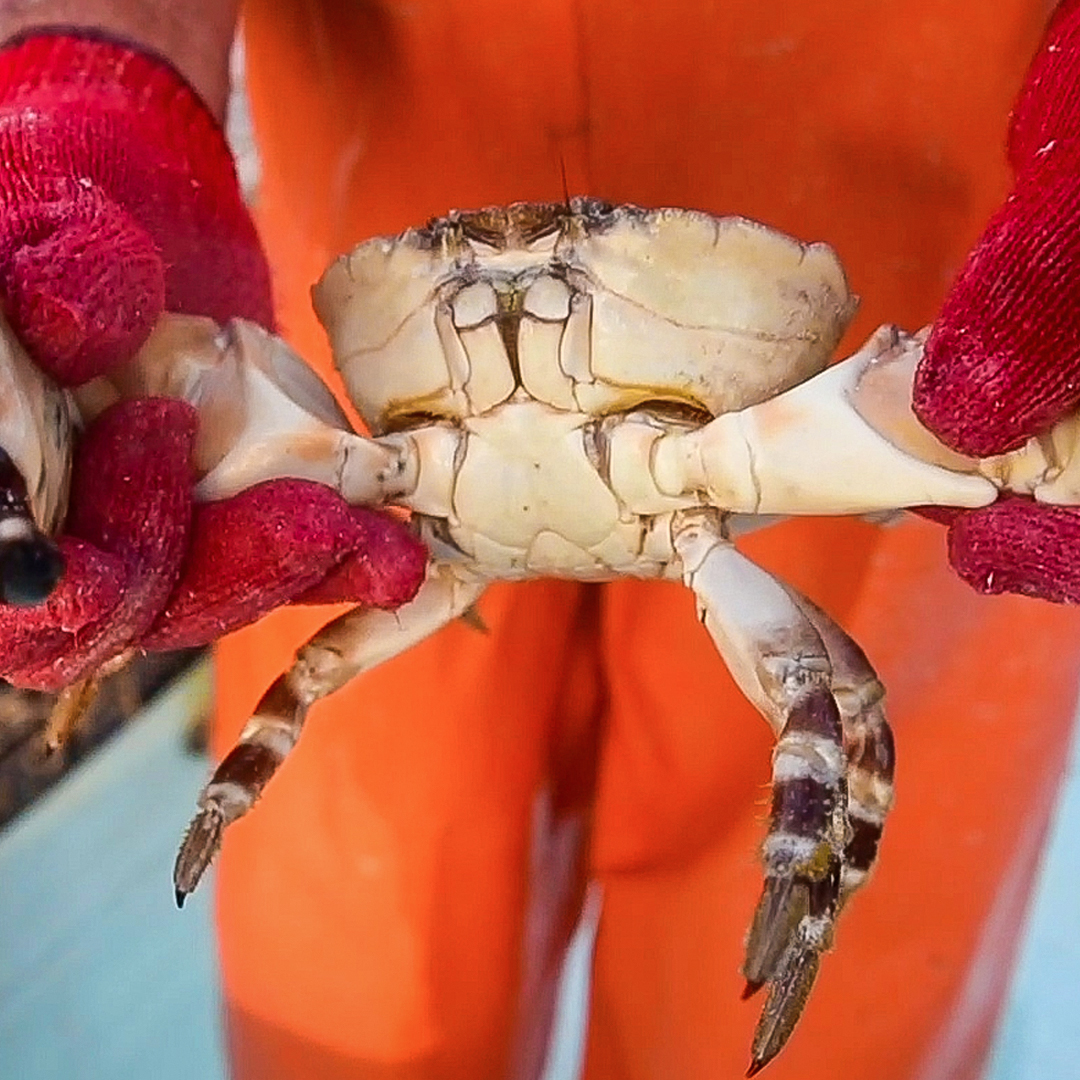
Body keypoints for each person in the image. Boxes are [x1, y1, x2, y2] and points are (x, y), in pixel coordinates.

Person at [0, 2, 1078, 1078]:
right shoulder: (279, 429)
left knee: (840, 979)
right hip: (377, 359)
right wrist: (94, 73)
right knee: (369, 946)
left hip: (892, 325)